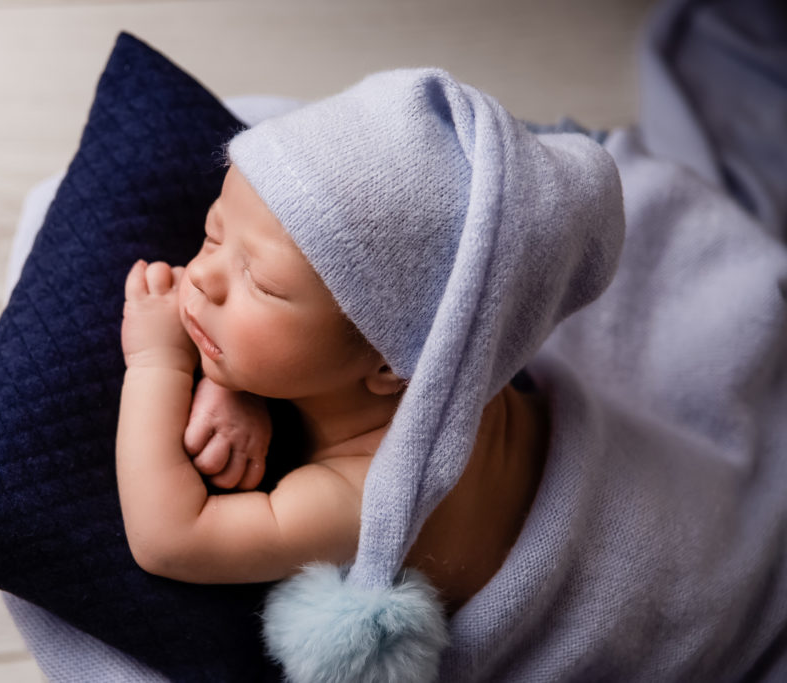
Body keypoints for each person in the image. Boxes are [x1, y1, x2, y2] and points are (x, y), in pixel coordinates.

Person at [115, 66, 629, 681]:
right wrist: (232, 383)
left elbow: (170, 540)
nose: (201, 276)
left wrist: (159, 362)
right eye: (213, 233)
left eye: (262, 283)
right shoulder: (434, 358)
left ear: (394, 362)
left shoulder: (361, 497)